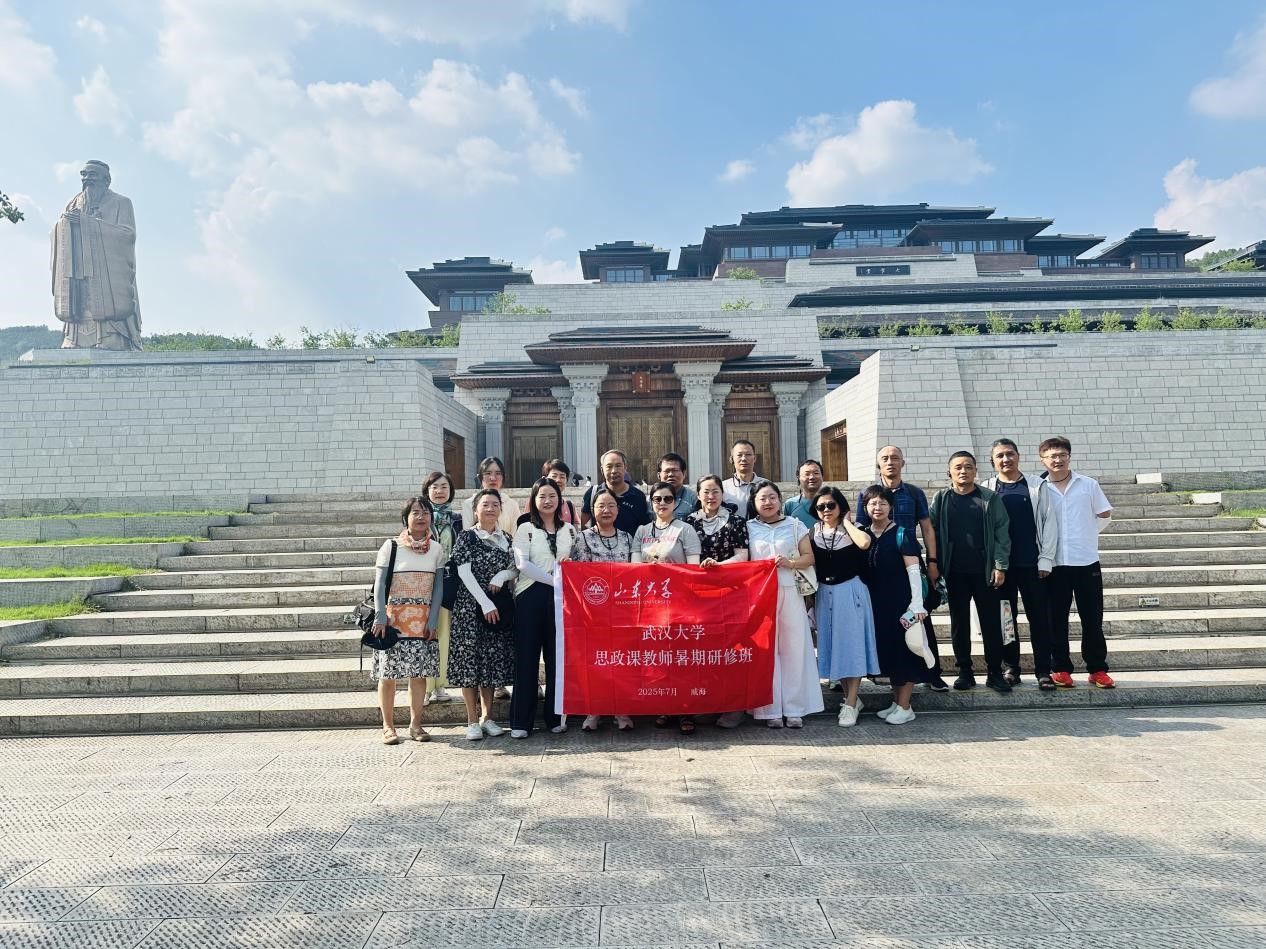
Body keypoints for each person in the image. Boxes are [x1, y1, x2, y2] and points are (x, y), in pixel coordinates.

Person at [855, 445, 950, 692]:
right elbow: (860, 529)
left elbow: (927, 527)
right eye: (885, 459)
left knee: (920, 619)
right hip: (880, 564)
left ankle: (932, 674)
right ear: (878, 465)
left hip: (910, 562)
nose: (890, 462)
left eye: (895, 458)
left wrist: (932, 561)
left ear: (903, 463)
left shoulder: (914, 493)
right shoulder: (868, 494)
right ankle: (890, 674)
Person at [929, 451, 1012, 693]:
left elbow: (1002, 532)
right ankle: (965, 671)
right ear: (950, 472)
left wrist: (1000, 565)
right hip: (954, 571)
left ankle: (995, 672)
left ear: (976, 471)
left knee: (991, 623)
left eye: (968, 466)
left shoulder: (989, 498)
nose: (963, 471)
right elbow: (931, 531)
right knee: (959, 623)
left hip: (984, 571)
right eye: (958, 467)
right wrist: (934, 563)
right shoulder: (941, 499)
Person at [745, 481, 824, 728]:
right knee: (766, 650)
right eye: (762, 498)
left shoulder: (795, 525)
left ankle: (794, 709)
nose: (768, 502)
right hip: (760, 596)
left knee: (793, 648)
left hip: (790, 591)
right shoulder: (748, 527)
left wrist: (790, 563)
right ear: (754, 503)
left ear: (780, 500)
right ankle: (769, 710)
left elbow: (809, 558)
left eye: (772, 497)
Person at [985, 439, 1061, 691]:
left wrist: (1046, 558)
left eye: (1010, 454)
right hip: (1002, 569)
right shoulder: (987, 488)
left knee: (1039, 619)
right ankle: (1011, 668)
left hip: (1032, 565)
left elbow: (1049, 521)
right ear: (993, 461)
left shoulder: (1036, 485)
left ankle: (1043, 670)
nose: (1005, 459)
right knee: (1006, 619)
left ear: (1018, 456)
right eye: (1000, 456)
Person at [1039, 436, 1115, 689]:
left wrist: (1087, 534)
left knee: (1092, 618)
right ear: (1042, 460)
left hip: (1086, 561)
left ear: (1069, 457)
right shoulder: (1038, 487)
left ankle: (1097, 669)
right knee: (1055, 619)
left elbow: (1104, 514)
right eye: (1052, 456)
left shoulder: (1088, 484)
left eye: (1062, 455)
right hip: (1054, 563)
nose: (1057, 460)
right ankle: (1060, 668)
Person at [369, 497, 446, 745]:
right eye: (415, 512)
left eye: (425, 512)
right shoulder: (391, 546)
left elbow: (438, 588)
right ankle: (388, 726)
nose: (421, 517)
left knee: (419, 674)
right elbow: (380, 584)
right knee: (388, 675)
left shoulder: (437, 549)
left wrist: (433, 620)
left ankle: (416, 724)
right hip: (392, 620)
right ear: (406, 518)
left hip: (422, 622)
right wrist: (380, 615)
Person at [509, 478, 578, 738]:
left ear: (560, 499)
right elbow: (522, 564)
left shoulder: (570, 530)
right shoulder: (525, 528)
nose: (547, 501)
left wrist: (568, 569)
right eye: (542, 496)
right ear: (533, 501)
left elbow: (576, 561)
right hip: (530, 595)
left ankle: (556, 716)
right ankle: (521, 721)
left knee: (556, 658)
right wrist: (555, 582)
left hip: (561, 600)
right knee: (527, 658)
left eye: (552, 496)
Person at [50, 160, 143, 351]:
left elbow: (127, 235)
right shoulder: (73, 203)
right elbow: (57, 232)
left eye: (92, 174)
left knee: (103, 299)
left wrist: (88, 223)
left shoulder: (121, 202)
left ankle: (111, 335)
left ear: (106, 180)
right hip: (77, 268)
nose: (86, 179)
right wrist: (64, 225)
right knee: (78, 298)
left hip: (106, 272)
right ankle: (74, 337)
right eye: (83, 174)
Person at [634, 480, 704, 735]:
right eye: (657, 499)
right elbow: (633, 568)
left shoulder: (685, 529)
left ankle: (687, 711)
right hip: (651, 603)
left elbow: (693, 568)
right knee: (659, 657)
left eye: (667, 499)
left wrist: (666, 569)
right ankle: (665, 706)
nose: (662, 503)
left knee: (681, 657)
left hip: (680, 601)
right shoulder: (642, 531)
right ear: (651, 503)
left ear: (675, 502)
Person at [448, 488, 517, 741]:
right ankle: (471, 720)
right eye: (485, 504)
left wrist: (502, 576)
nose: (490, 508)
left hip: (498, 609)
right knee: (469, 663)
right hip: (470, 608)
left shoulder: (507, 538)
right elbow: (464, 573)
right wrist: (485, 603)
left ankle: (488, 718)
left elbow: (515, 567)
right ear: (475, 510)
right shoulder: (466, 537)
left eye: (495, 504)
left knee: (490, 662)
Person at [862, 485, 933, 725]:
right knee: (890, 653)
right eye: (873, 503)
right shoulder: (864, 535)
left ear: (891, 507)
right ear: (865, 507)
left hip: (900, 603)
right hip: (876, 604)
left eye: (883, 503)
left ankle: (905, 706)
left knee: (904, 654)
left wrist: (916, 604)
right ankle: (896, 701)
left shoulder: (902, 533)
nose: (878, 507)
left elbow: (913, 571)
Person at [810, 486, 879, 726]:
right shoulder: (814, 531)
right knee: (836, 647)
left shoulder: (854, 529)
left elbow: (865, 543)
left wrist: (846, 522)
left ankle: (850, 703)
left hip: (851, 591)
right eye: (821, 506)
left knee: (852, 645)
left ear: (841, 506)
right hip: (824, 594)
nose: (826, 510)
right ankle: (852, 698)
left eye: (831, 505)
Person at [689, 474, 751, 731]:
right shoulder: (689, 522)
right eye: (706, 491)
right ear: (698, 495)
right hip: (699, 595)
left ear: (722, 494)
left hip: (730, 591)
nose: (711, 496)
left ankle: (733, 707)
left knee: (730, 648)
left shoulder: (736, 521)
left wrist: (718, 566)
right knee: (704, 650)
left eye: (715, 491)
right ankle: (708, 703)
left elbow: (742, 556)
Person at [573, 490, 636, 733]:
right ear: (593, 510)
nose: (606, 510)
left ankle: (622, 710)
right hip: (594, 610)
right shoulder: (583, 537)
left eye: (611, 505)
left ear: (618, 510)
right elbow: (580, 574)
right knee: (595, 661)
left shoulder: (628, 538)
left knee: (621, 661)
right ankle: (594, 710)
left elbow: (634, 572)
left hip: (623, 610)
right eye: (601, 505)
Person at [421, 471, 458, 705]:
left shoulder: (457, 519)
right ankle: (424, 688)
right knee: (425, 634)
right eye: (435, 487)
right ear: (427, 491)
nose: (440, 491)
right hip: (423, 582)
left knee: (444, 635)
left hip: (447, 582)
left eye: (444, 487)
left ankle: (440, 685)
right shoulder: (420, 517)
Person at [581, 450, 651, 534]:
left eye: (618, 466)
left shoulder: (638, 496)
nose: (614, 471)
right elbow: (583, 524)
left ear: (625, 467)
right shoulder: (592, 493)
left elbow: (644, 529)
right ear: (602, 469)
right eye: (609, 466)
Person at [460, 457, 521, 534]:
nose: (493, 478)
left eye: (498, 473)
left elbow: (517, 535)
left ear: (503, 477)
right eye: (488, 473)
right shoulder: (469, 504)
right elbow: (467, 535)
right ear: (480, 477)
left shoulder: (512, 505)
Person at [649, 453, 698, 519]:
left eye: (675, 470)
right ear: (659, 475)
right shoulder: (649, 500)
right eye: (667, 471)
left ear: (684, 474)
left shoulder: (693, 499)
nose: (671, 474)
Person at [722, 440, 763, 511]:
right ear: (732, 459)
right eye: (739, 455)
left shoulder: (767, 485)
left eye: (748, 454)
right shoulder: (723, 488)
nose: (743, 459)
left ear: (754, 458)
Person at [784, 459, 825, 528]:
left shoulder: (831, 503)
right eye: (807, 474)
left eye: (816, 473)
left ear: (822, 476)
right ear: (798, 477)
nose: (812, 477)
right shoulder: (790, 504)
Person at [542, 459, 579, 525]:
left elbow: (576, 527)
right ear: (544, 479)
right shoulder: (534, 503)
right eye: (554, 476)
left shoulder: (570, 506)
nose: (558, 480)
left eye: (562, 477)